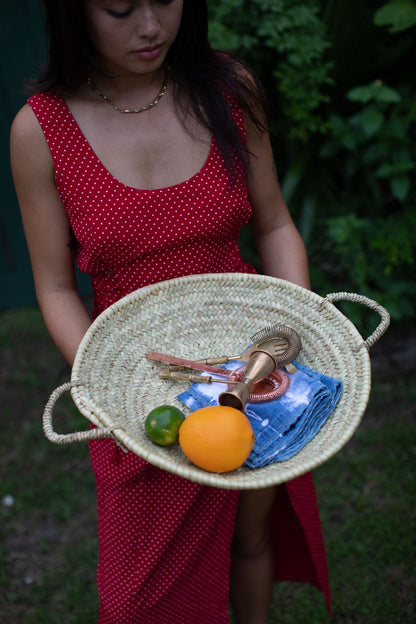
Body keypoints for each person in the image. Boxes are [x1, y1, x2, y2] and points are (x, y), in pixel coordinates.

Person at [10, 1, 332, 622]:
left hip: (249, 363)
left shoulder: (227, 89)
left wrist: (299, 335)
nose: (152, 25)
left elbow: (275, 224)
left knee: (252, 534)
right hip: (136, 381)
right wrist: (113, 390)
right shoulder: (41, 130)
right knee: (142, 590)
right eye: (121, 8)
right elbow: (53, 289)